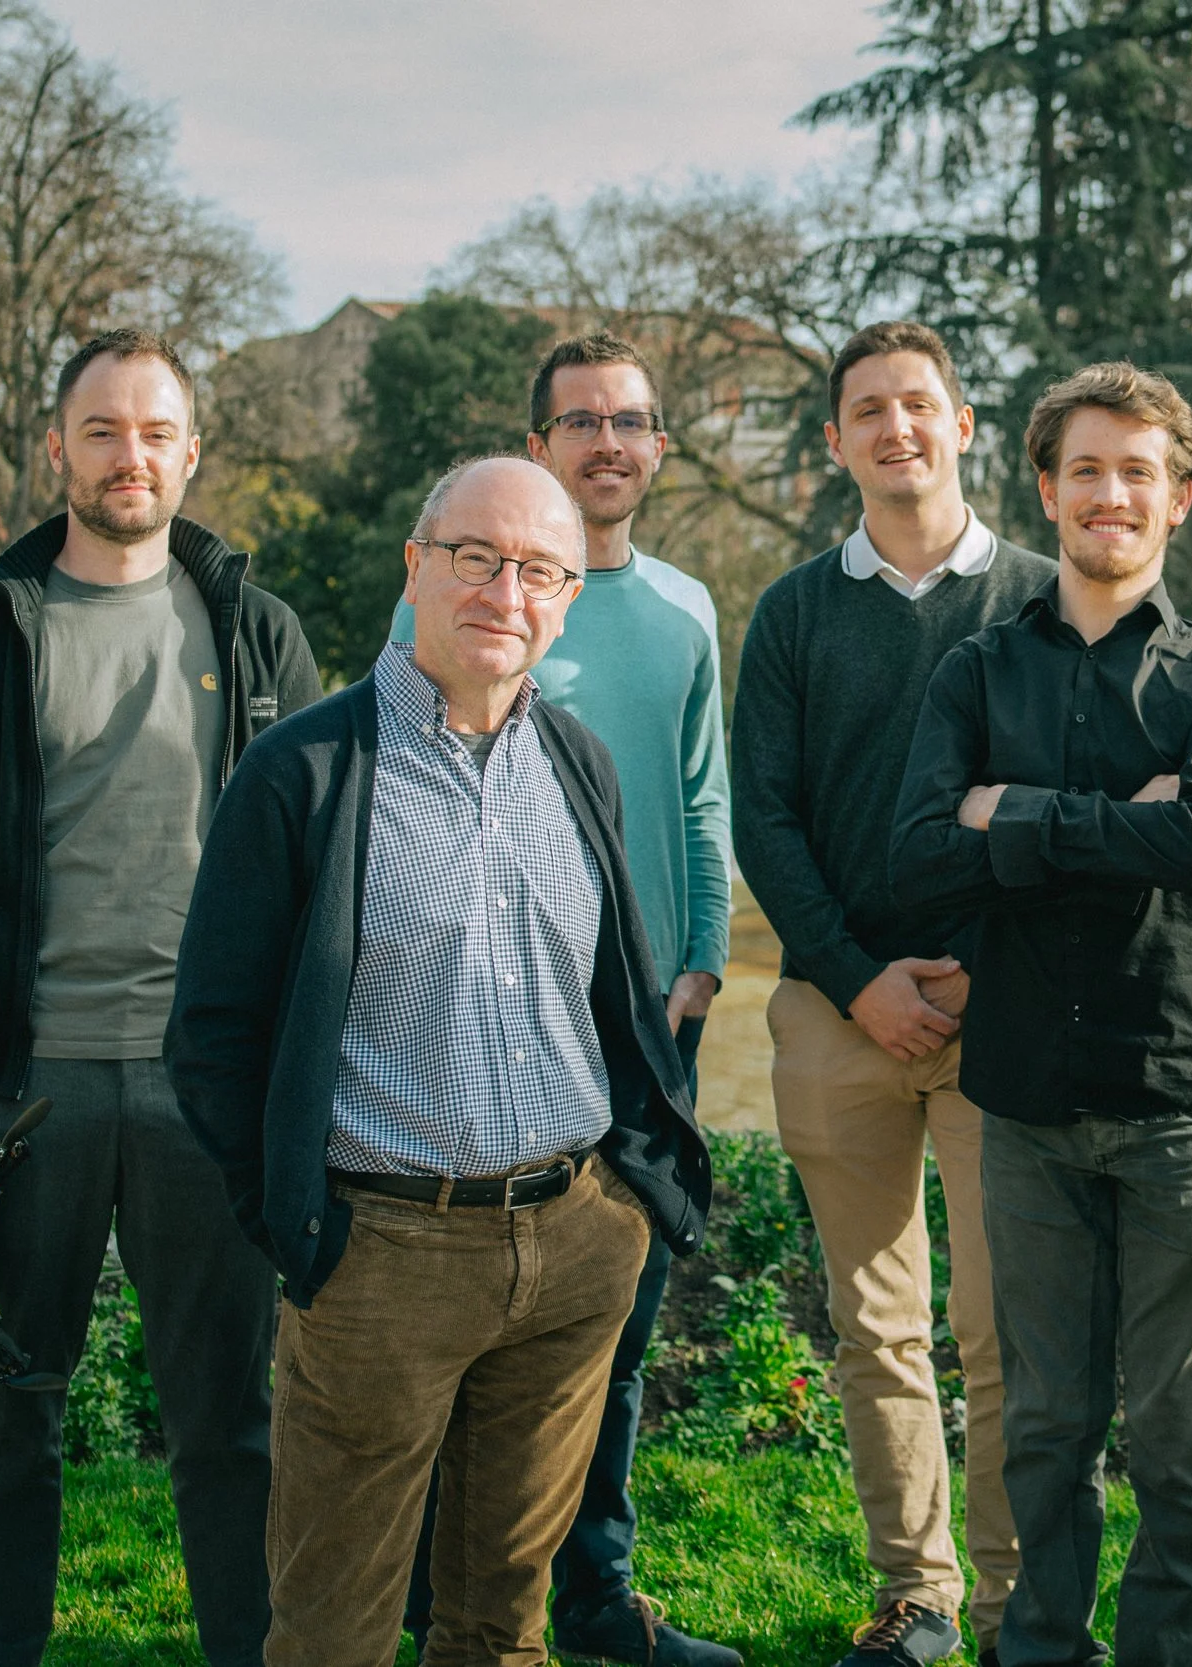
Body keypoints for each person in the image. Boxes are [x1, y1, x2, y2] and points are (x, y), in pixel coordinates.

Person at [166, 457, 713, 1667]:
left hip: (571, 1245)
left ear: (567, 598)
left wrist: (626, 1194)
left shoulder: (577, 761)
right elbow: (210, 1035)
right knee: (334, 1626)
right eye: (474, 556)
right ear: (415, 567)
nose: (503, 591)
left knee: (501, 1620)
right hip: (384, 1258)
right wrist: (300, 1226)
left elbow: (611, 987)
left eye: (537, 570)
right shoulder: (304, 772)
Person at [0, 328, 317, 1667]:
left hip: (207, 1089)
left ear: (193, 450)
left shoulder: (259, 629)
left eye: (156, 431)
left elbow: (314, 867)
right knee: (10, 1403)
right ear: (57, 447)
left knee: (230, 1421)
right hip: (30, 1090)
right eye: (104, 429)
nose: (132, 455)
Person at [892, 362, 1192, 1667]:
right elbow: (917, 856)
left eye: (1140, 471)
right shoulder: (977, 669)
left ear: (1178, 499)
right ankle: (1038, 1647)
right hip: (1030, 1107)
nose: (1113, 492)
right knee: (1044, 1426)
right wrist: (1132, 822)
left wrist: (1019, 813)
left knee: (1177, 1438)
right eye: (1088, 468)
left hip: (1184, 1109)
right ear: (1045, 487)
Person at [389, 331, 738, 1667]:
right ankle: (437, 1602)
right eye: (580, 419)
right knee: (461, 1328)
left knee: (617, 1331)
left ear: (656, 446)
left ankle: (595, 1597)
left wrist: (700, 956)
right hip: (489, 1024)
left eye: (633, 421)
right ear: (536, 445)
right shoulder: (468, 593)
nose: (608, 441)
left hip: (648, 1028)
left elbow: (703, 795)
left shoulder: (688, 609)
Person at [730, 321, 1054, 1667]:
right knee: (877, 1328)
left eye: (919, 404)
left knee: (1005, 1327)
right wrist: (862, 979)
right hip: (838, 1012)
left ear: (965, 422)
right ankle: (919, 1598)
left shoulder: (1041, 597)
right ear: (836, 440)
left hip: (1006, 1011)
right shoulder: (799, 611)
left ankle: (1016, 1603)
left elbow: (1062, 803)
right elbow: (766, 816)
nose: (896, 427)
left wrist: (984, 962)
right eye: (869, 409)